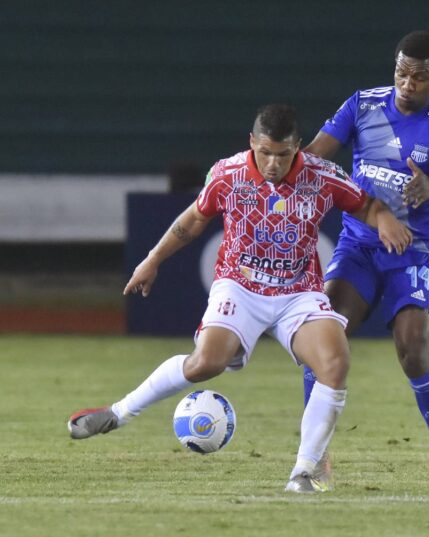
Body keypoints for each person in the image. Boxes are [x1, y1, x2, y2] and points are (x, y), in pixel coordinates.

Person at [67, 104, 411, 494]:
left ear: (298, 147)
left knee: (335, 362)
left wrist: (383, 218)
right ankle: (118, 413)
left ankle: (304, 471)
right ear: (252, 143)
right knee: (206, 363)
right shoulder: (228, 174)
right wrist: (152, 259)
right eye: (265, 152)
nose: (273, 163)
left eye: (283, 154)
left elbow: (364, 203)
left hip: (298, 291)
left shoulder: (322, 175)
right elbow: (195, 218)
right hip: (240, 286)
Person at [301, 30, 429, 493]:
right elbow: (314, 159)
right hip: (359, 245)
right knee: (324, 335)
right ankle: (315, 458)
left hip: (413, 251)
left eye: (420, 76)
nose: (407, 82)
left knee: (413, 347)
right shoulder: (362, 104)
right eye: (401, 71)